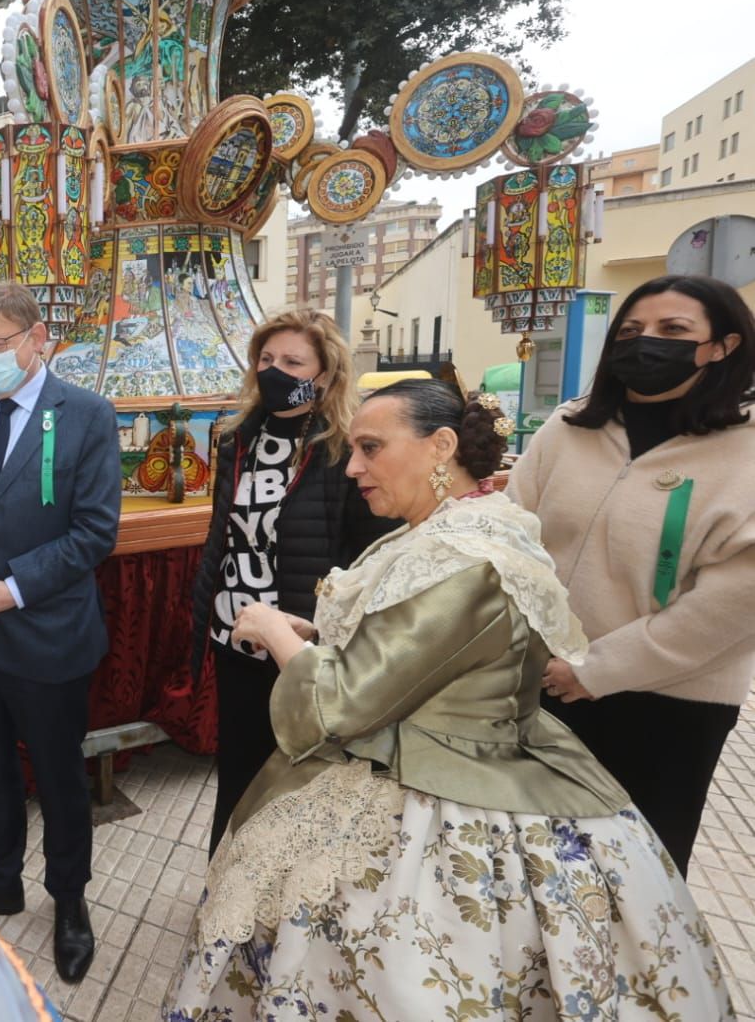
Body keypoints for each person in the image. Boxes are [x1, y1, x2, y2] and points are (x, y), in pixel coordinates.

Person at [164, 379, 732, 1019]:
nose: (353, 468)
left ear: (440, 446)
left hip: (448, 795)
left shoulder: (463, 556)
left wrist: (272, 630)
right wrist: (317, 636)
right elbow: (419, 657)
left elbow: (346, 703)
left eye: (371, 448)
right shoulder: (451, 532)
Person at [508, 274, 755, 874]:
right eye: (632, 330)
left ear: (722, 346)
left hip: (666, 703)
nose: (647, 342)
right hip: (541, 681)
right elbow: (508, 533)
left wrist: (599, 668)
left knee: (633, 874)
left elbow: (733, 601)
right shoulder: (569, 427)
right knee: (532, 865)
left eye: (674, 329)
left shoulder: (744, 449)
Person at [0, 281, 122, 984]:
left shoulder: (86, 415)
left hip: (45, 630)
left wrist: (10, 590)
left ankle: (68, 899)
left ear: (38, 339)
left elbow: (94, 532)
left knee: (59, 776)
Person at [189, 309, 396, 854]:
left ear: (325, 374)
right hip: (235, 636)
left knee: (296, 779)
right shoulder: (237, 438)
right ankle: (224, 882)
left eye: (292, 362)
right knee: (238, 772)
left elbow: (370, 553)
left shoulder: (346, 449)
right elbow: (221, 534)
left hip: (303, 645)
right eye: (266, 359)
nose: (274, 371)